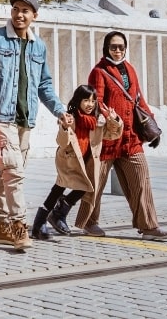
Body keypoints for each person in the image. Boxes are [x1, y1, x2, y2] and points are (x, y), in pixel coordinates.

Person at [0, 0, 72, 251]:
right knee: (14, 172)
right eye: (16, 9)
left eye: (25, 10)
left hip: (25, 119)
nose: (19, 14)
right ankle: (18, 226)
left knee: (8, 174)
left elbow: (44, 84)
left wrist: (59, 111)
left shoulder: (39, 47)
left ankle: (1, 226)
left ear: (34, 15)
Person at [84, 29, 167, 241]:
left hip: (131, 138)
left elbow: (138, 100)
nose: (117, 51)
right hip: (108, 137)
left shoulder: (130, 70)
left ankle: (149, 226)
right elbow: (96, 102)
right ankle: (89, 221)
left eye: (121, 47)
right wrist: (110, 117)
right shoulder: (99, 71)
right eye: (113, 47)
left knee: (141, 179)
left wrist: (153, 127)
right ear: (106, 48)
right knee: (96, 184)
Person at [31, 83, 114, 239]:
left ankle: (46, 219)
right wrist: (64, 127)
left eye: (93, 101)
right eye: (86, 100)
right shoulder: (70, 118)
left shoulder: (97, 121)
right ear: (78, 101)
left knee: (75, 188)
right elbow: (62, 142)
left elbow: (113, 134)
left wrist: (112, 118)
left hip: (84, 162)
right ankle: (49, 218)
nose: (90, 104)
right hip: (68, 161)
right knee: (61, 189)